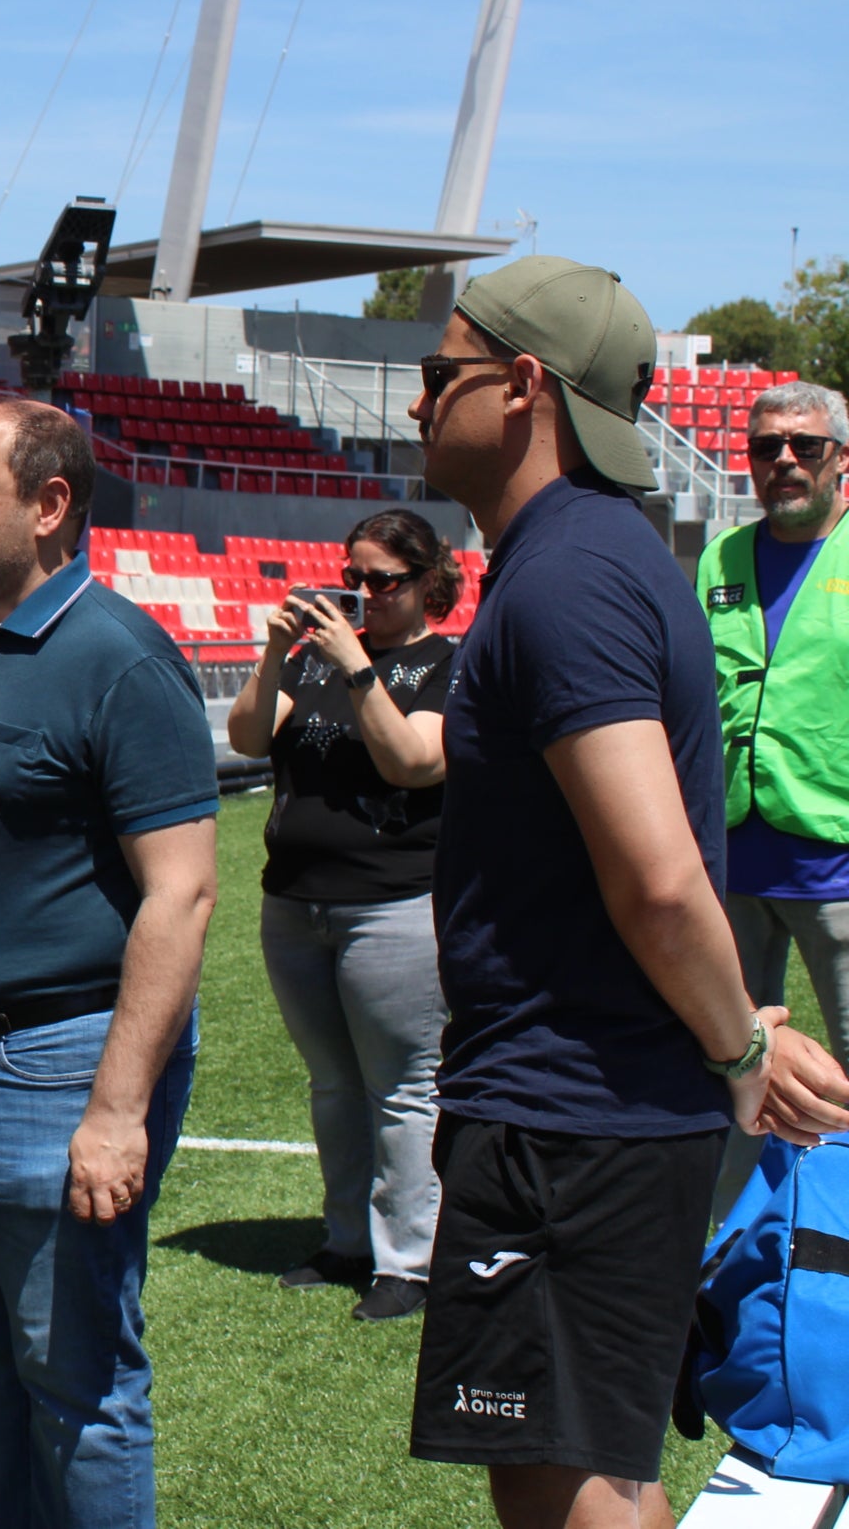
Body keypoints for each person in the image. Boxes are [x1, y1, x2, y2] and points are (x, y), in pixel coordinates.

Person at [398, 256, 849, 1529]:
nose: (420, 404)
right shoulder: (593, 556)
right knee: (597, 1465)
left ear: (523, 386)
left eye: (441, 375)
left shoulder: (569, 576)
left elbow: (655, 879)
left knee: (559, 1482)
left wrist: (740, 1038)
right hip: (583, 1103)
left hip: (569, 1113)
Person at [0, 400, 219, 1529]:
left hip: (53, 1069)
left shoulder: (118, 657)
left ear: (51, 505)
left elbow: (183, 891)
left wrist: (116, 1111)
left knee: (78, 1385)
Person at [226, 508, 460, 1322]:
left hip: (394, 904)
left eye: (383, 580)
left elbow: (415, 761)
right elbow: (248, 736)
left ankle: (410, 1258)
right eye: (352, 576)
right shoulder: (313, 663)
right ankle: (347, 1239)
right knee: (333, 1083)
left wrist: (359, 668)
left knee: (402, 1087)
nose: (363, 594)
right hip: (295, 903)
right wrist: (273, 651)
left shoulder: (445, 664)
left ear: (428, 581)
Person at [699, 379, 849, 1215]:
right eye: (765, 447)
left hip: (838, 870)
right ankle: (714, 1267)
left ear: (841, 460)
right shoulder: (721, 558)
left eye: (806, 445)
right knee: (725, 1080)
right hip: (730, 872)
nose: (784, 460)